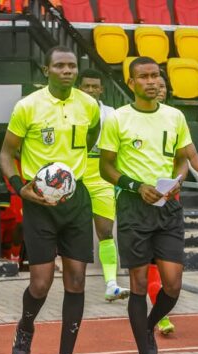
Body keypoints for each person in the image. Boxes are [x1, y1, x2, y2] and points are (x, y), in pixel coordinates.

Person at [99, 57, 198, 354]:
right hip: (134, 208)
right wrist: (136, 186)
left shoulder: (175, 116)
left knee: (173, 284)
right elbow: (105, 167)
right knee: (137, 284)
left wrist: (193, 171)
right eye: (144, 77)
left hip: (168, 207)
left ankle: (148, 326)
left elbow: (186, 157)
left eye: (155, 75)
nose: (152, 81)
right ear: (132, 83)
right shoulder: (118, 119)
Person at [0, 46, 100, 354]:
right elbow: (6, 153)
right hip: (39, 203)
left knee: (76, 280)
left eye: (72, 65)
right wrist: (19, 186)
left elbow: (92, 137)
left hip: (76, 201)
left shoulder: (89, 105)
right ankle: (26, 327)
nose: (67, 71)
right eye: (59, 66)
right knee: (41, 283)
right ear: (46, 70)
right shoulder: (28, 106)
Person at [78, 68, 129, 302]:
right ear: (79, 88)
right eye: (86, 86)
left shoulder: (112, 114)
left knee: (106, 230)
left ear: (101, 89)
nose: (90, 90)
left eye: (94, 86)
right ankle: (73, 283)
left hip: (101, 172)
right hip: (75, 171)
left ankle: (111, 284)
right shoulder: (69, 111)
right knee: (72, 231)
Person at [147, 74, 176, 335]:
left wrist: (179, 178)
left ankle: (160, 311)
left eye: (163, 86)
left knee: (169, 268)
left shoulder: (175, 119)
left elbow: (184, 157)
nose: (158, 89)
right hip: (143, 202)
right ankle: (161, 319)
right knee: (150, 263)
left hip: (170, 201)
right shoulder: (134, 121)